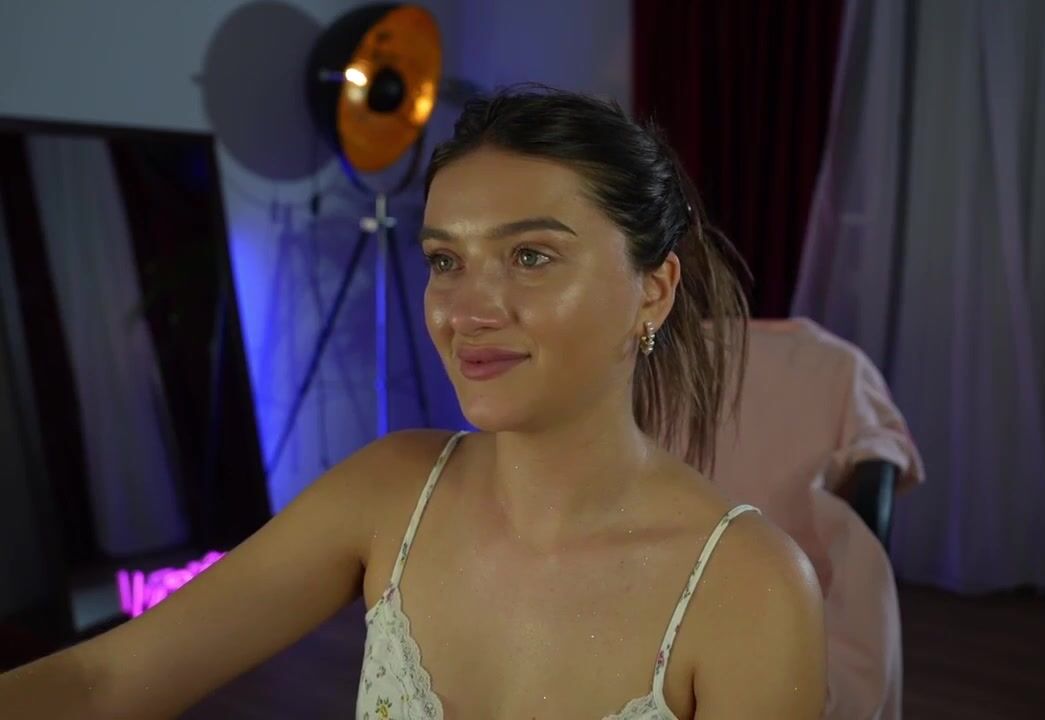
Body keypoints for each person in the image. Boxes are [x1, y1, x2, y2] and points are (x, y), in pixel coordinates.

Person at [0, 86, 826, 719]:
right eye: (444, 261)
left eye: (531, 256)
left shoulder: (749, 589)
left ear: (653, 290)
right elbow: (105, 679)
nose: (466, 311)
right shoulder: (391, 490)